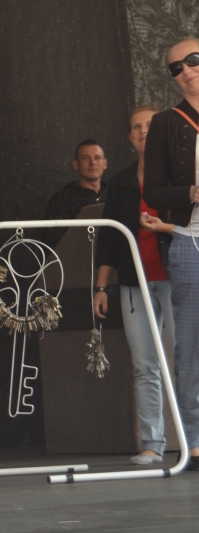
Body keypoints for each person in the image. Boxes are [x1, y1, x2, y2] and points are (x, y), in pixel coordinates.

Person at [93, 107, 175, 465]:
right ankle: (152, 443)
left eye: (150, 125)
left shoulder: (180, 176)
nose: (143, 131)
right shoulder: (122, 181)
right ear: (129, 137)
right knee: (145, 365)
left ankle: (194, 441)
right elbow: (109, 238)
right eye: (136, 127)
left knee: (188, 362)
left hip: (177, 280)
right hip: (133, 283)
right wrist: (100, 287)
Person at [144, 38, 199, 472]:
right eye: (175, 68)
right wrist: (191, 193)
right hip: (190, 241)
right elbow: (154, 192)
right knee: (192, 345)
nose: (185, 70)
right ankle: (194, 441)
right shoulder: (166, 123)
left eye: (193, 60)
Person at [44, 140, 108, 247]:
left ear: (105, 164)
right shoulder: (61, 200)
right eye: (85, 158)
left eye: (97, 158)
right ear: (75, 164)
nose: (92, 163)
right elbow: (53, 242)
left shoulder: (113, 195)